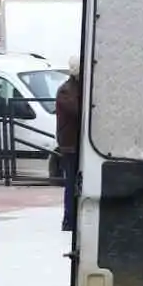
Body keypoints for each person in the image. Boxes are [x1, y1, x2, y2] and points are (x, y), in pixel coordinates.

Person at [55, 60, 81, 232]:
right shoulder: (67, 90)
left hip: (75, 143)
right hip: (70, 145)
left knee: (74, 182)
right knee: (71, 183)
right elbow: (77, 110)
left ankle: (73, 218)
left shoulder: (73, 89)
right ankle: (69, 220)